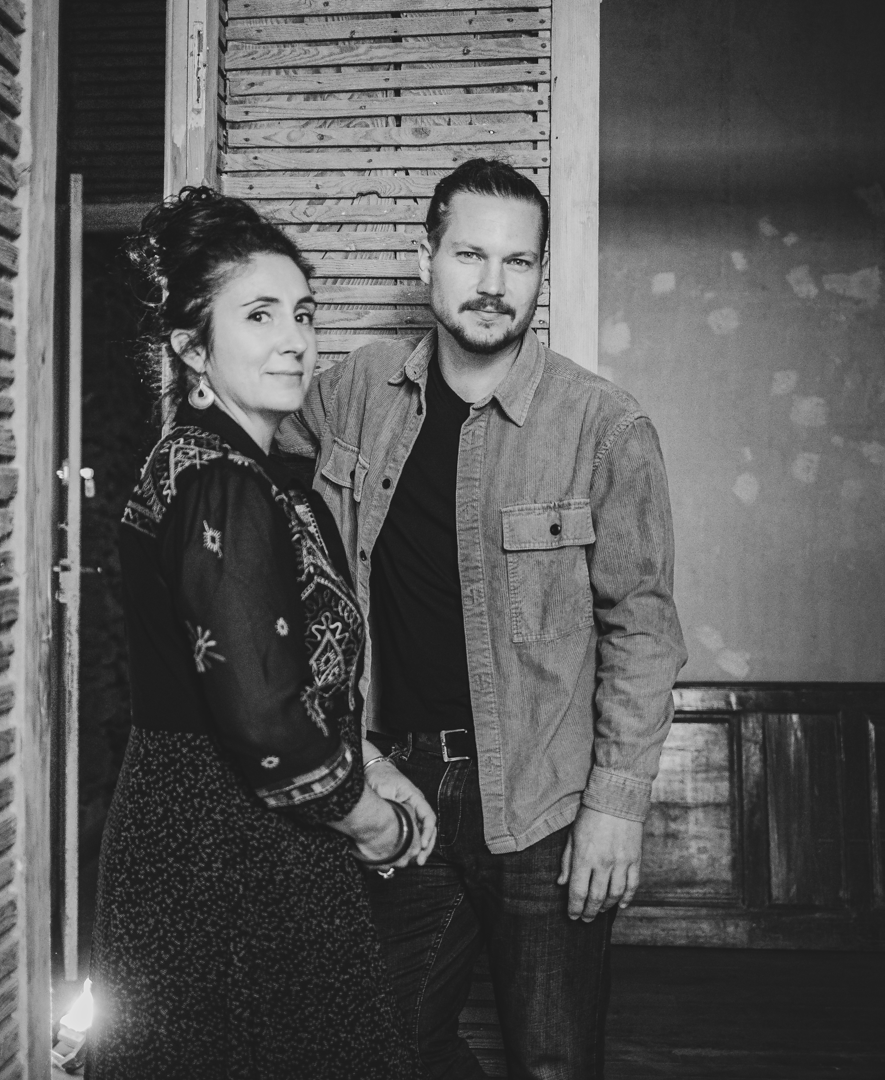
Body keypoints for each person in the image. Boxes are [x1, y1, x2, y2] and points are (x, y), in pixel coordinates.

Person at [277, 159, 688, 1079]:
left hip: (543, 800)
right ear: (425, 260)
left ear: (541, 273)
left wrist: (615, 808)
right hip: (395, 787)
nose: (494, 283)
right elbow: (254, 463)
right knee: (380, 1049)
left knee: (552, 1062)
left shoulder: (605, 426)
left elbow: (644, 630)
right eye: (470, 255)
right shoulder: (354, 390)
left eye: (518, 261)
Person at [85, 186, 437, 1080]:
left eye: (304, 313)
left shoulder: (230, 468)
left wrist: (371, 763)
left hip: (219, 835)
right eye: (260, 314)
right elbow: (267, 722)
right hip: (228, 849)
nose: (295, 339)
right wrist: (376, 826)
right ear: (192, 348)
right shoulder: (222, 482)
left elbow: (285, 674)